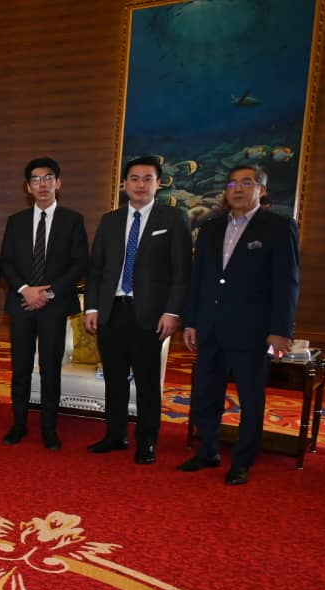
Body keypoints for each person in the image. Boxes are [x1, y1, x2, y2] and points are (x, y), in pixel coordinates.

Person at [178, 165, 299, 485]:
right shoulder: (211, 227)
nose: (238, 189)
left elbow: (287, 283)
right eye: (232, 184)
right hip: (210, 327)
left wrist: (280, 330)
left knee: (250, 399)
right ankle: (207, 451)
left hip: (253, 331)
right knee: (205, 394)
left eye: (247, 183)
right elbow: (199, 278)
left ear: (262, 190)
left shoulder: (278, 227)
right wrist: (191, 321)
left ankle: (243, 461)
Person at [84, 156, 192, 465]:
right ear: (124, 184)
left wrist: (172, 312)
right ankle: (115, 435)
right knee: (114, 379)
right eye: (134, 178)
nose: (140, 184)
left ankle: (147, 441)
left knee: (147, 382)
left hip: (150, 315)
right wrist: (92, 306)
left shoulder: (173, 218)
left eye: (147, 178)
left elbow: (182, 272)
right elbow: (97, 270)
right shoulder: (110, 220)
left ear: (159, 184)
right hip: (111, 312)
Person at [0, 158, 89, 450]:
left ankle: (49, 428)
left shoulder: (72, 220)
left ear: (58, 183)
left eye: (48, 178)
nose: (42, 184)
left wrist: (48, 293)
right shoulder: (16, 221)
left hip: (55, 306)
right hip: (22, 305)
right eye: (36, 179)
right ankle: (19, 424)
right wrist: (26, 290)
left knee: (51, 368)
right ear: (28, 187)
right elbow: (6, 262)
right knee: (20, 367)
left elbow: (79, 263)